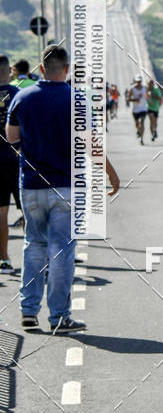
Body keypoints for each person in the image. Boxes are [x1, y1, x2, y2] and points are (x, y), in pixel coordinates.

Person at [6, 45, 119, 331]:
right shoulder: (77, 99)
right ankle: (59, 316)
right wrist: (110, 173)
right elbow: (92, 145)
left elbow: (11, 138)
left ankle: (28, 312)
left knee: (33, 245)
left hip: (31, 185)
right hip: (66, 187)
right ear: (67, 69)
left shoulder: (23, 97)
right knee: (62, 252)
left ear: (41, 69)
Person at [0, 56, 20, 272]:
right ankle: (40, 259)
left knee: (1, 214)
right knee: (30, 213)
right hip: (17, 159)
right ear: (9, 72)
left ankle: (4, 259)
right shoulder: (18, 95)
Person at [127, 75, 147, 145]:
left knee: (142, 122)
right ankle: (138, 130)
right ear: (135, 81)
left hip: (143, 109)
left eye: (140, 81)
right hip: (135, 110)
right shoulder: (132, 89)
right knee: (137, 124)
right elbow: (128, 99)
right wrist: (135, 99)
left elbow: (148, 95)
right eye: (137, 81)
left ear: (141, 81)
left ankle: (141, 139)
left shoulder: (145, 88)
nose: (138, 83)